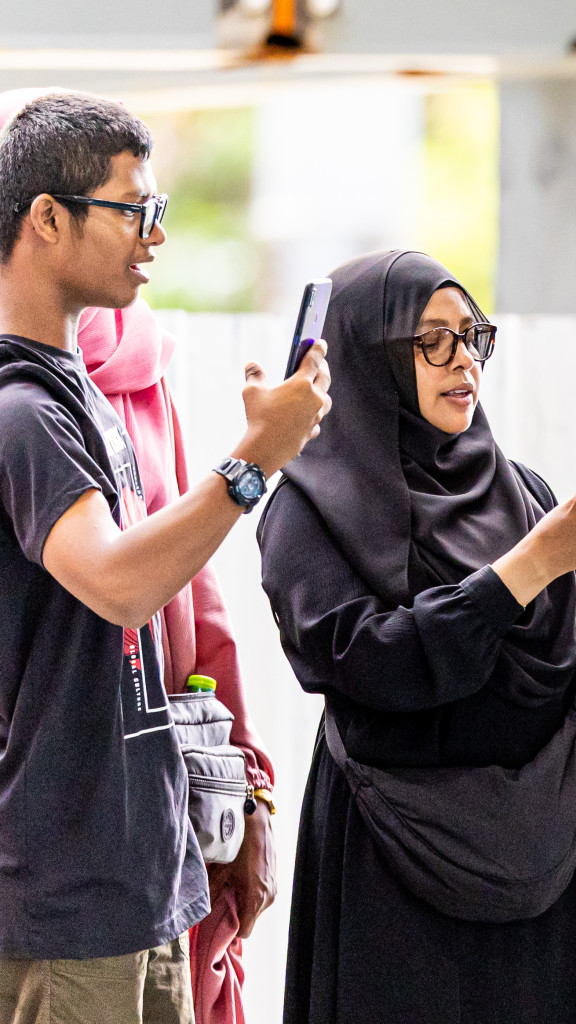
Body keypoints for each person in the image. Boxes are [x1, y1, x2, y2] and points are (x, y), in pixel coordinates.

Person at [257, 249, 576, 1024]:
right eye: (431, 340)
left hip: (542, 858)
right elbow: (370, 663)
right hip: (392, 865)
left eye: (472, 336)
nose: (464, 359)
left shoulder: (522, 493)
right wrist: (529, 566)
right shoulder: (309, 507)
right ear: (370, 354)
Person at [0, 91, 329, 1024]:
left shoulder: (84, 400)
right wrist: (255, 459)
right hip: (64, 899)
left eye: (161, 209)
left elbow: (170, 596)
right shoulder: (22, 413)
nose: (156, 234)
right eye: (133, 209)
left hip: (141, 877)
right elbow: (118, 582)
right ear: (48, 219)